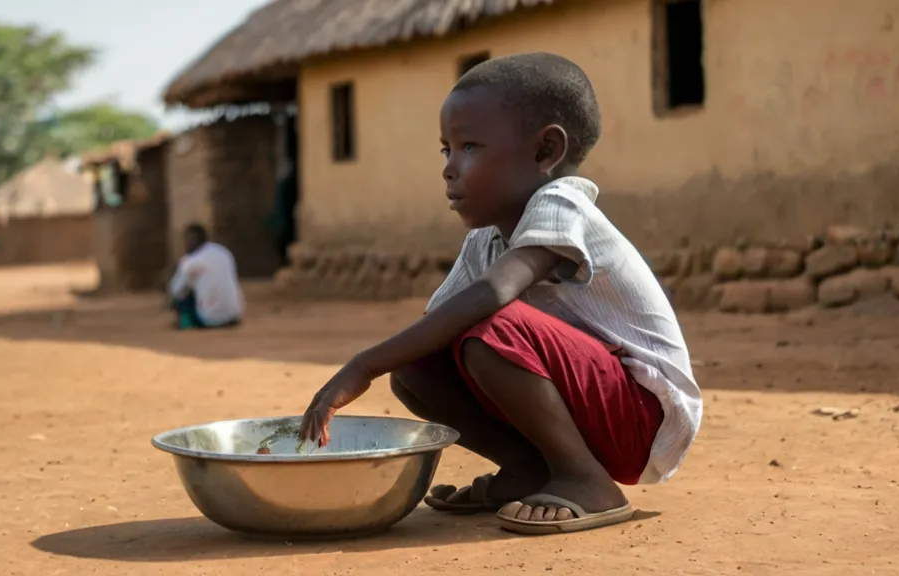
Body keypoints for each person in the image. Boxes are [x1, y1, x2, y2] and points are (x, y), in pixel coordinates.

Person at [298, 53, 702, 535]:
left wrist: (362, 365)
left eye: (469, 146)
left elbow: (494, 294)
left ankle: (587, 481)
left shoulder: (563, 202)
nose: (450, 169)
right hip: (595, 407)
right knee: (415, 368)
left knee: (492, 327)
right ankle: (529, 468)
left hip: (642, 418)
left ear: (545, 152)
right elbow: (438, 329)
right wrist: (388, 365)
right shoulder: (484, 241)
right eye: (445, 150)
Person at [166, 224, 245, 330]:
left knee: (182, 296)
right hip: (234, 315)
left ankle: (187, 322)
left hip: (209, 320)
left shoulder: (189, 261)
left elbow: (175, 290)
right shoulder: (223, 252)